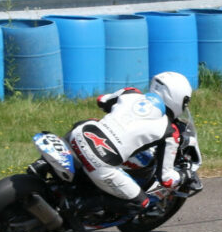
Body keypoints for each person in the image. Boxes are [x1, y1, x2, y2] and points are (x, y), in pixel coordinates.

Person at [66, 71, 194, 215]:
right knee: (140, 203)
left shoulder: (130, 93)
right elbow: (166, 179)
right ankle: (77, 212)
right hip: (101, 161)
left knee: (92, 122)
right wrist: (184, 176)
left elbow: (102, 100)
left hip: (78, 136)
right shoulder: (170, 131)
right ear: (177, 98)